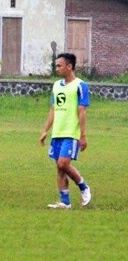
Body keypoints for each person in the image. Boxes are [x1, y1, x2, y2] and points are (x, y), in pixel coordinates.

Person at [40, 53, 92, 209]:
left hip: (71, 133)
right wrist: (45, 131)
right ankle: (65, 202)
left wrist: (82, 136)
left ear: (69, 66)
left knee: (63, 164)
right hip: (57, 133)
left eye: (59, 66)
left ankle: (84, 187)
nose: (57, 69)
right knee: (59, 168)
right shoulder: (56, 85)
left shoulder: (80, 86)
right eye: (56, 66)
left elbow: (81, 112)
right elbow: (53, 110)